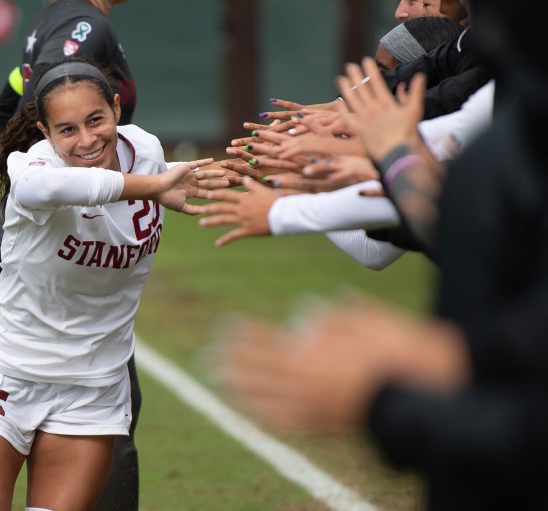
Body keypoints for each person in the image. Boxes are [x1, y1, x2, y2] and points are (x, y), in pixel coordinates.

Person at [219, 0, 548, 504]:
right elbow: (438, 156)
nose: (401, 8)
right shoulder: (504, 80)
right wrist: (354, 152)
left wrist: (384, 401)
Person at [0, 59, 228, 511]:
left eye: (96, 119)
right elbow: (44, 188)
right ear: (46, 131)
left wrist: (164, 183)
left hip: (92, 387)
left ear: (117, 107)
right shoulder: (37, 166)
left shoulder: (147, 151)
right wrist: (151, 186)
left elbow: (150, 172)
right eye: (67, 129)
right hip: (6, 372)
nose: (86, 139)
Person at [0, 2, 142, 509]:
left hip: (48, 233)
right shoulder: (86, 24)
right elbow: (41, 102)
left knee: (86, 378)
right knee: (101, 388)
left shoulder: (52, 17)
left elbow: (5, 103)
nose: (87, 133)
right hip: (52, 238)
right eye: (69, 129)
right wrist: (56, 182)